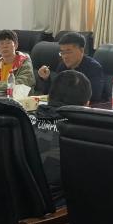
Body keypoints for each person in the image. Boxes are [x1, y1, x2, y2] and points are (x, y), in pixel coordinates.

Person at [30, 69, 91, 203]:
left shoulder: (24, 121)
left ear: (48, 97)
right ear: (86, 104)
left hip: (15, 202)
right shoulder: (81, 135)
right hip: (55, 207)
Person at [37, 32, 105, 101]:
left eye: (68, 52)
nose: (65, 56)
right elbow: (53, 94)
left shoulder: (94, 68)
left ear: (81, 50)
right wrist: (46, 79)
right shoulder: (62, 66)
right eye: (62, 52)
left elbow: (93, 97)